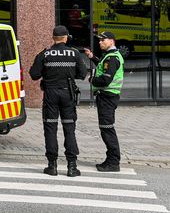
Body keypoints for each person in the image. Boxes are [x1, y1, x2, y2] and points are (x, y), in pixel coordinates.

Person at [29, 25, 89, 177]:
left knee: (50, 128)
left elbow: (34, 74)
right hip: (67, 93)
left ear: (53, 38)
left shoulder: (45, 53)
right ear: (66, 38)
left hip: (50, 94)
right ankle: (72, 166)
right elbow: (82, 74)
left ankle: (52, 166)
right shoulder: (74, 53)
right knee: (69, 128)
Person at [83, 31, 124, 172]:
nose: (100, 42)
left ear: (112, 41)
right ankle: (111, 159)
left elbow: (105, 79)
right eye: (99, 40)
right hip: (107, 97)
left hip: (107, 97)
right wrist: (92, 57)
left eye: (103, 40)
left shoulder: (112, 58)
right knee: (106, 128)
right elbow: (102, 65)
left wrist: (92, 79)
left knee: (107, 129)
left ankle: (113, 162)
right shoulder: (110, 56)